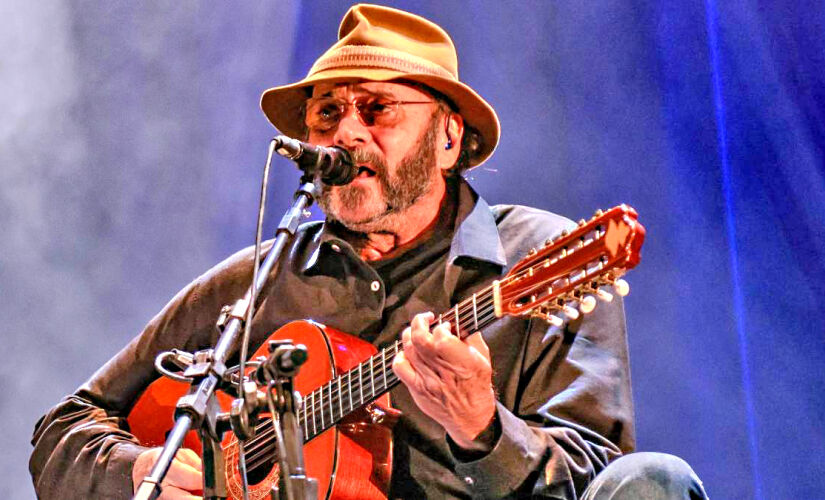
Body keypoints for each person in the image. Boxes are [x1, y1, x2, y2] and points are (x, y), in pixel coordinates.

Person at [30, 4, 707, 499]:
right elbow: (65, 426)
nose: (345, 133)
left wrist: (481, 429)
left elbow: (603, 480)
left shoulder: (541, 252)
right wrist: (136, 469)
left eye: (376, 110)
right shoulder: (259, 280)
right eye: (327, 114)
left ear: (447, 138)